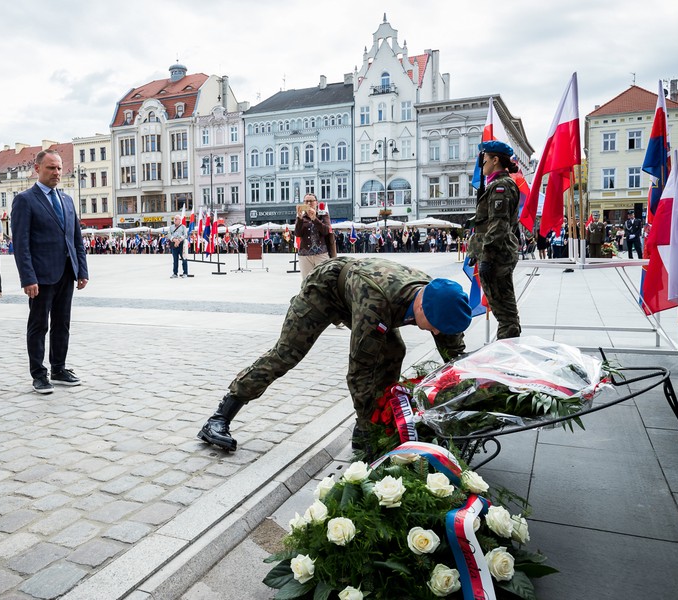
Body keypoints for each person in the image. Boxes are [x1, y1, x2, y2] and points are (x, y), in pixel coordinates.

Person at [196, 257, 472, 452]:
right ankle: (220, 417)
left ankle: (385, 420)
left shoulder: (439, 297)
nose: (437, 332)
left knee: (393, 351)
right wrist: (365, 426)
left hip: (358, 292)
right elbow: (360, 370)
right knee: (287, 354)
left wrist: (466, 387)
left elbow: (452, 347)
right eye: (434, 328)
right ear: (422, 309)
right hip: (324, 292)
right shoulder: (377, 301)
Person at [11, 149, 89, 394]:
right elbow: (21, 244)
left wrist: (82, 270)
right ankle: (39, 373)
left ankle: (59, 368)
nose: (56, 173)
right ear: (37, 169)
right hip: (41, 276)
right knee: (38, 325)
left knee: (62, 323)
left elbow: (76, 238)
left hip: (66, 272)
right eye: (50, 168)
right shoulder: (25, 199)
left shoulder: (66, 200)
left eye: (59, 168)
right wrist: (28, 277)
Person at [467, 140, 521, 339]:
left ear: (495, 160)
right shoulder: (497, 185)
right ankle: (507, 349)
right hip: (494, 253)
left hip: (496, 256)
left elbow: (498, 225)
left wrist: (487, 256)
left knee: (505, 313)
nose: (482, 164)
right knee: (502, 310)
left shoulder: (501, 187)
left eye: (485, 160)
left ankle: (508, 354)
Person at [294, 193, 336, 280]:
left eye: (311, 201)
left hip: (321, 253)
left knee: (324, 280)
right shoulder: (302, 217)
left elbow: (326, 231)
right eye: (306, 201)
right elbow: (297, 234)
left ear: (316, 202)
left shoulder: (323, 215)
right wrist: (300, 219)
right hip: (305, 255)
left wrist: (314, 219)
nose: (309, 203)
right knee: (307, 281)